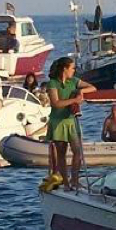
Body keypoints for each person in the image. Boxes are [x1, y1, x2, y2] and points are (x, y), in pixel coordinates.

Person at [46, 57, 95, 191]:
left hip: (71, 121)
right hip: (58, 122)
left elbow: (92, 88)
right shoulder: (52, 83)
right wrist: (74, 100)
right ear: (65, 69)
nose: (74, 70)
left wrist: (81, 92)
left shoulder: (74, 81)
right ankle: (66, 183)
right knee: (61, 154)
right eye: (72, 68)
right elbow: (55, 103)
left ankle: (75, 180)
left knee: (77, 151)